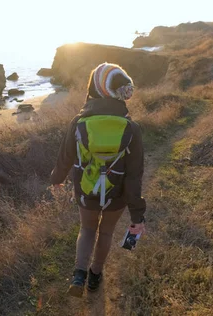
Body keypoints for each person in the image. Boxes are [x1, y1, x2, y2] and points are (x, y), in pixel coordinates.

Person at [50, 63, 146, 297]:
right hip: (118, 194)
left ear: (96, 88)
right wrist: (137, 216)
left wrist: (57, 179)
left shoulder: (79, 123)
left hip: (86, 189)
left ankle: (79, 274)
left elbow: (65, 157)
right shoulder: (131, 128)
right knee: (106, 233)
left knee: (87, 229)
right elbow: (135, 176)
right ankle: (95, 275)